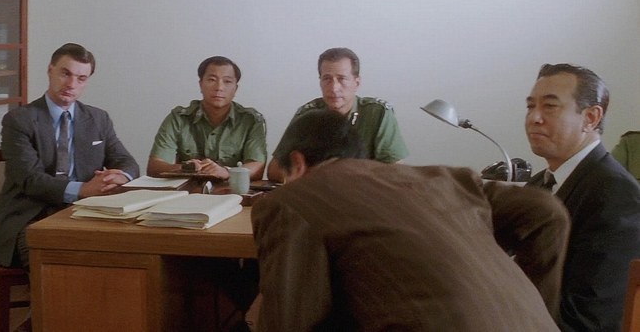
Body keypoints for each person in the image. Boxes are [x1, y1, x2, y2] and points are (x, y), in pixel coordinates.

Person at [252, 109, 570, 331]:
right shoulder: (444, 179)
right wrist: (534, 305)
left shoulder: (293, 200)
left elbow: (288, 322)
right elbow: (547, 212)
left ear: (297, 163)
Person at [0, 43, 139, 269]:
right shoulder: (19, 120)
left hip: (85, 213)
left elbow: (127, 162)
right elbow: (30, 180)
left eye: (81, 78)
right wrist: (83, 189)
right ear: (50, 70)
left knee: (123, 252)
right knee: (60, 259)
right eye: (65, 74)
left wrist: (120, 176)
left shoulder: (98, 119)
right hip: (29, 216)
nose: (71, 84)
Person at [524, 63, 640, 331]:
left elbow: (590, 318)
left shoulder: (617, 197)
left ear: (591, 118)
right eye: (530, 106)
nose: (534, 118)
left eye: (549, 106)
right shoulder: (537, 186)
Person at [266, 47, 407, 182]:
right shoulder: (308, 113)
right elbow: (274, 170)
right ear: (320, 82)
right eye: (327, 79)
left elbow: (394, 170)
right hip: (316, 192)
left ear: (357, 83)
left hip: (362, 192)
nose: (334, 88)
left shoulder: (378, 113)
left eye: (342, 79)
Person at [147, 56, 267, 181]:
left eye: (227, 81)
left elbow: (257, 167)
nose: (219, 87)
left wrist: (226, 172)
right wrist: (185, 168)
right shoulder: (179, 118)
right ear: (201, 84)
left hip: (231, 189)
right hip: (188, 189)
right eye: (212, 80)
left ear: (235, 89)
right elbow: (154, 166)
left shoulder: (250, 120)